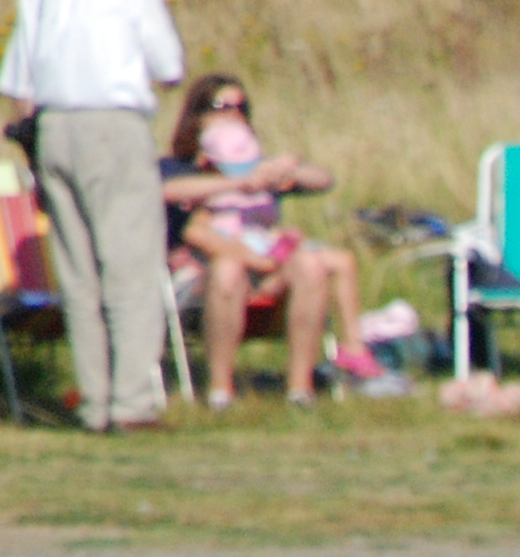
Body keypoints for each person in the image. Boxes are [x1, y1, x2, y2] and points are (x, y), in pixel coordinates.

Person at [0, 0, 185, 432]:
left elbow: (18, 87)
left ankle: (96, 403)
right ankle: (130, 403)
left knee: (79, 277)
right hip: (112, 122)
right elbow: (168, 66)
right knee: (130, 268)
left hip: (54, 129)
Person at [160, 73, 384, 407]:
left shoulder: (254, 165)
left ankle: (300, 389)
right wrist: (237, 184)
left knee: (310, 264)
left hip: (265, 273)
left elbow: (323, 180)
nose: (234, 114)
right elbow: (169, 193)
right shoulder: (177, 167)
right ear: (198, 113)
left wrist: (282, 171)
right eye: (222, 106)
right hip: (204, 276)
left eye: (242, 107)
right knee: (228, 270)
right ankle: (221, 391)